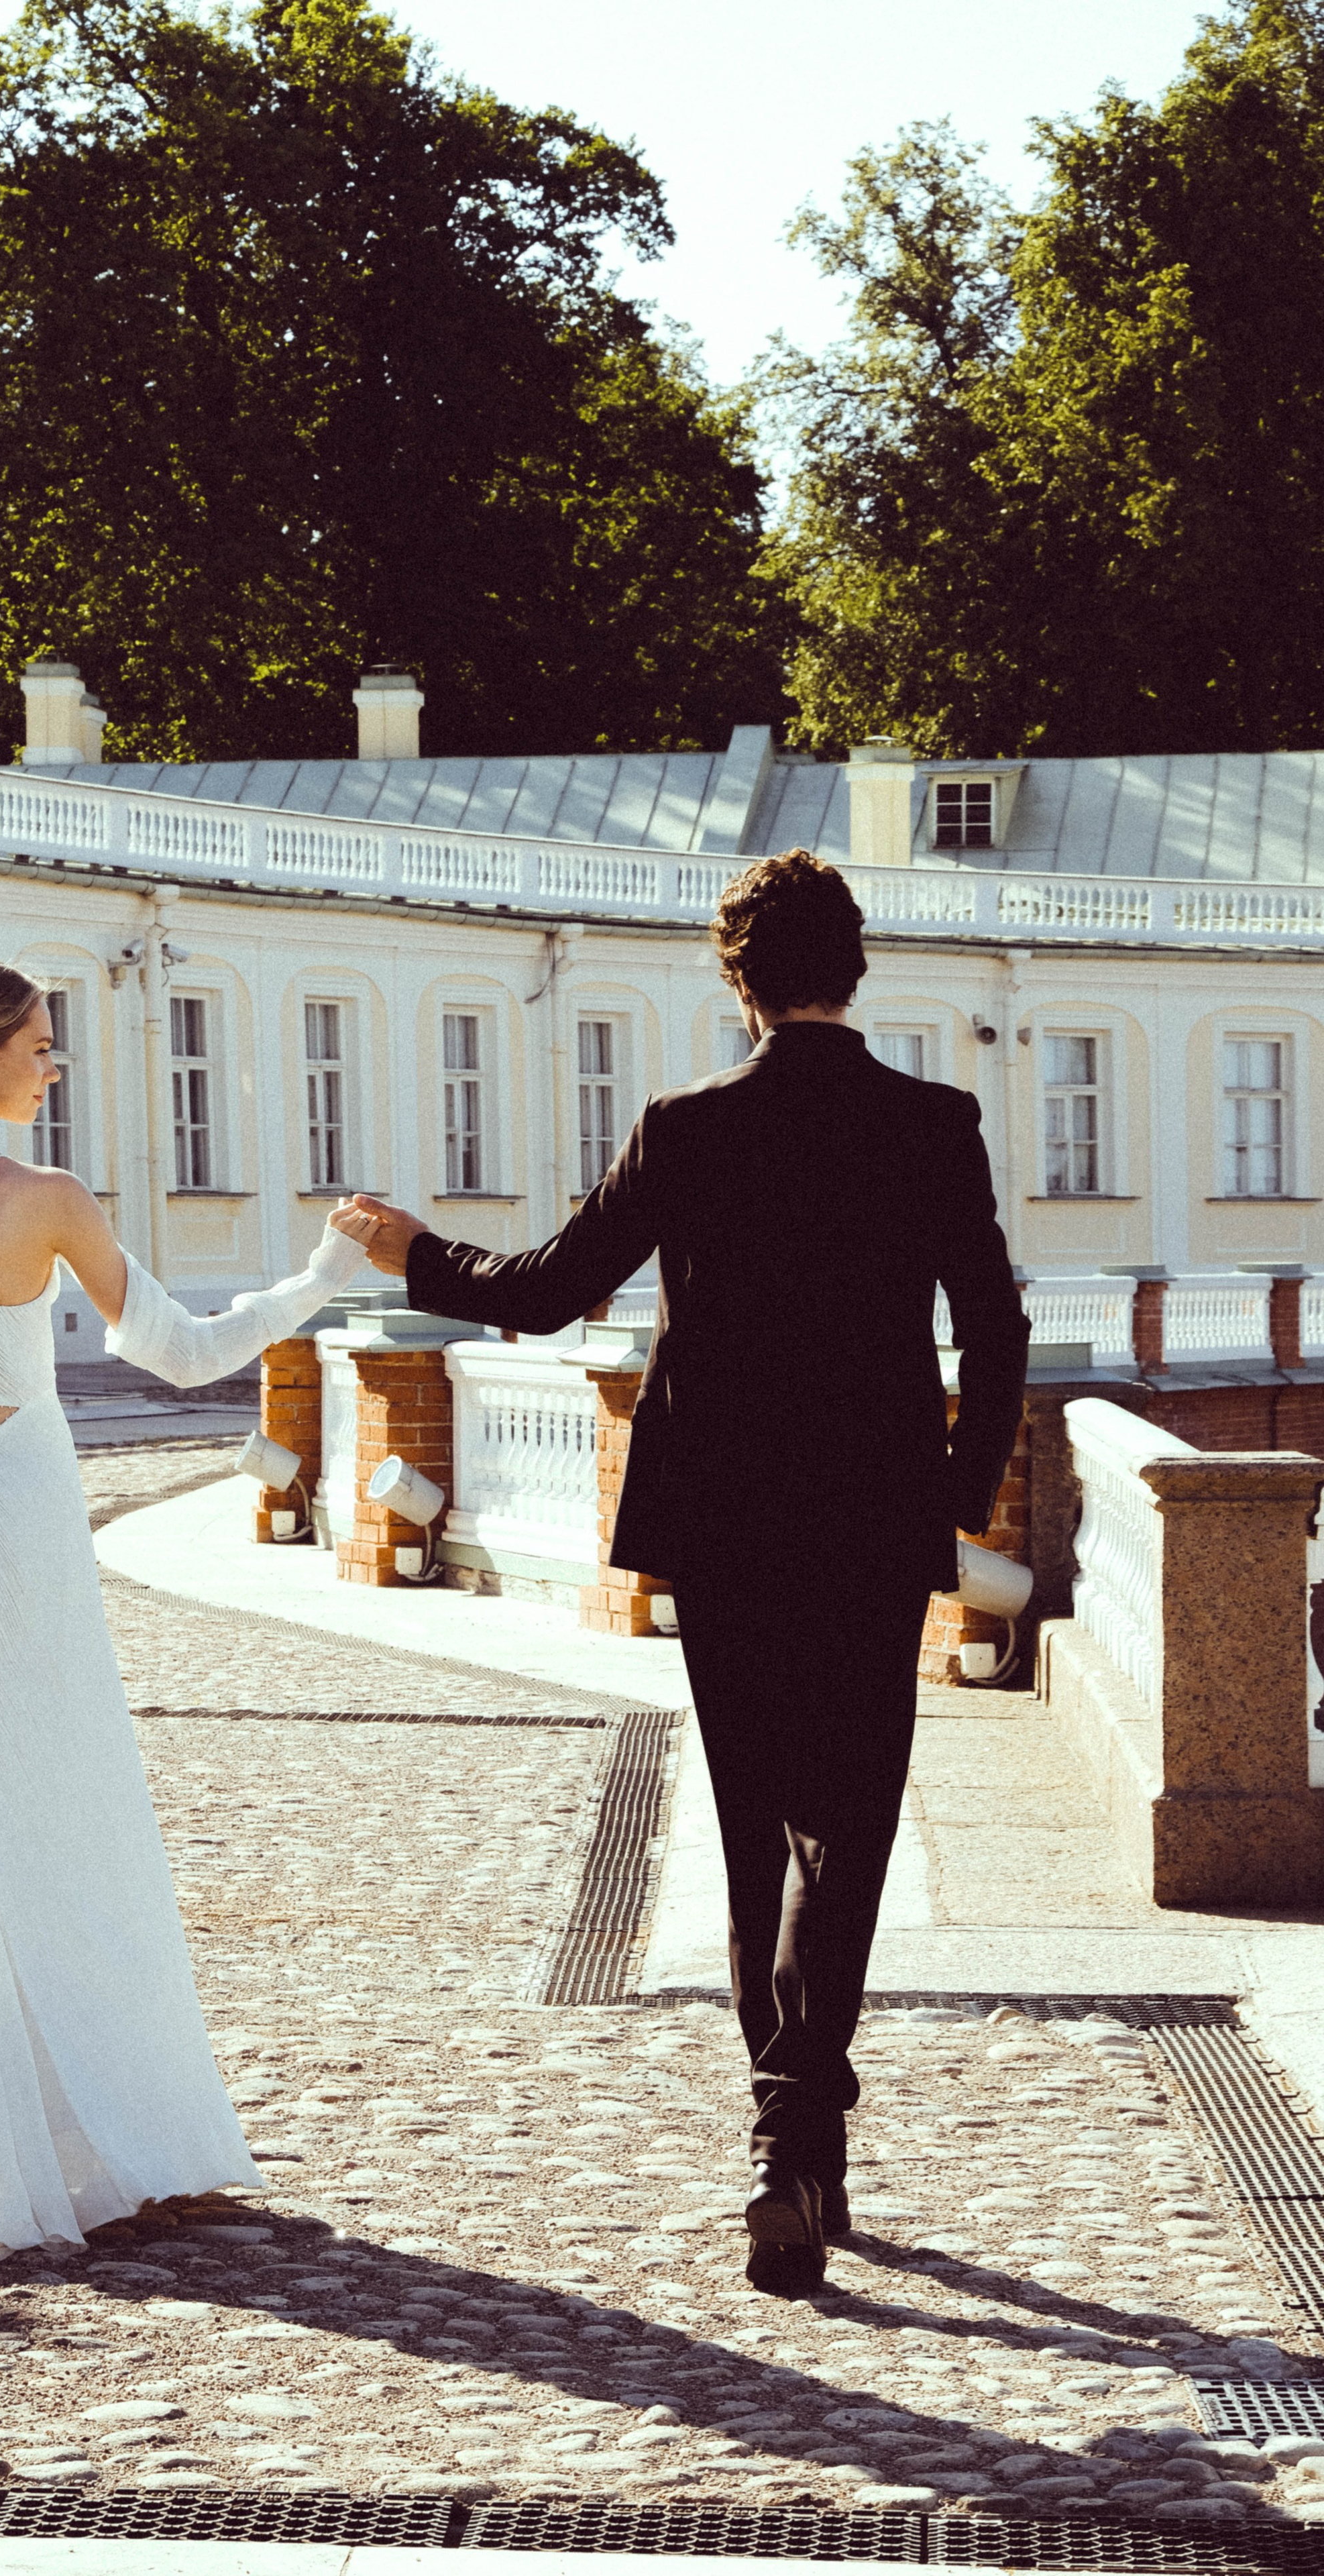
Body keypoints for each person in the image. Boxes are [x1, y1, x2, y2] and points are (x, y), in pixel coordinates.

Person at [340, 851, 1030, 2294]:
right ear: (856, 967)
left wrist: (415, 1252)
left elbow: (540, 1290)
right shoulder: (934, 1121)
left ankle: (786, 2139)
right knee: (849, 1825)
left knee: (751, 1825)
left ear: (738, 978)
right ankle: (798, 2132)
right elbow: (994, 1326)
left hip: (722, 1523)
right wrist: (953, 1510)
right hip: (867, 1522)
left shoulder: (684, 1126)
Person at [0, 945, 366, 2260]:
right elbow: (186, 1353)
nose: (53, 1060)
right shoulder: (42, 1198)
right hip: (23, 1527)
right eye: (37, 1040)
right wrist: (318, 1276)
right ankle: (104, 2145)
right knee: (69, 1823)